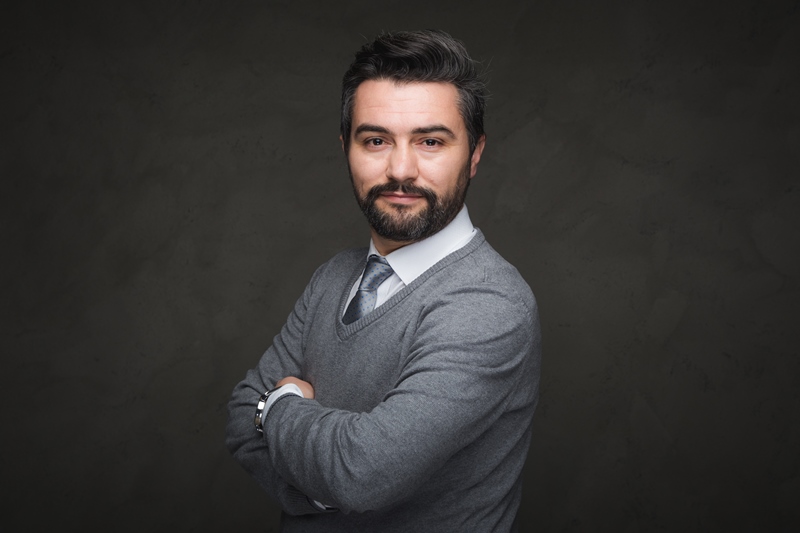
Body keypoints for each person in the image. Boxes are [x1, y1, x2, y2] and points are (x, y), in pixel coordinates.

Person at [226, 29, 541, 532]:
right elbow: (242, 417)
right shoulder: (334, 276)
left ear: (475, 153)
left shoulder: (491, 304)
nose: (400, 169)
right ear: (346, 149)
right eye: (376, 140)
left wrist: (279, 405)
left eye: (430, 142)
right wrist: (321, 489)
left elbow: (361, 473)